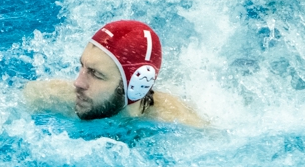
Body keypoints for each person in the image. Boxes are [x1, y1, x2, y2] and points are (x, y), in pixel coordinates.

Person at [24, 20, 205, 126]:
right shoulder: (50, 96)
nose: (78, 83)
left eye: (95, 74)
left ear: (135, 86)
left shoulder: (178, 122)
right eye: (82, 66)